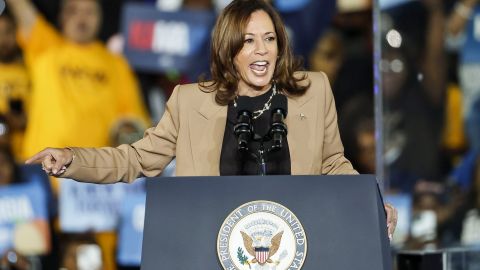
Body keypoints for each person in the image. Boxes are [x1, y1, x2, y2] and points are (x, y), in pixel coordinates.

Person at [25, 0, 398, 238]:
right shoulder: (189, 102)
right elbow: (136, 159)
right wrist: (72, 159)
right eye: (249, 40)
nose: (262, 50)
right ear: (227, 47)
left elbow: (333, 162)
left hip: (293, 242)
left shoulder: (311, 90)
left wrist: (370, 201)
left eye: (270, 39)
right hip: (212, 245)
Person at [5, 0, 150, 160]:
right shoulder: (45, 47)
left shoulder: (117, 64)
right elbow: (19, 6)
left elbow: (134, 121)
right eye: (73, 11)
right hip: (46, 169)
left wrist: (127, 132)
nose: (82, 18)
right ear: (62, 17)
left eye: (89, 12)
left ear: (100, 18)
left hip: (99, 174)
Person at [0, 10, 30, 161]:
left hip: (28, 156)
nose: (3, 39)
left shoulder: (31, 71)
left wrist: (22, 120)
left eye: (8, 32)